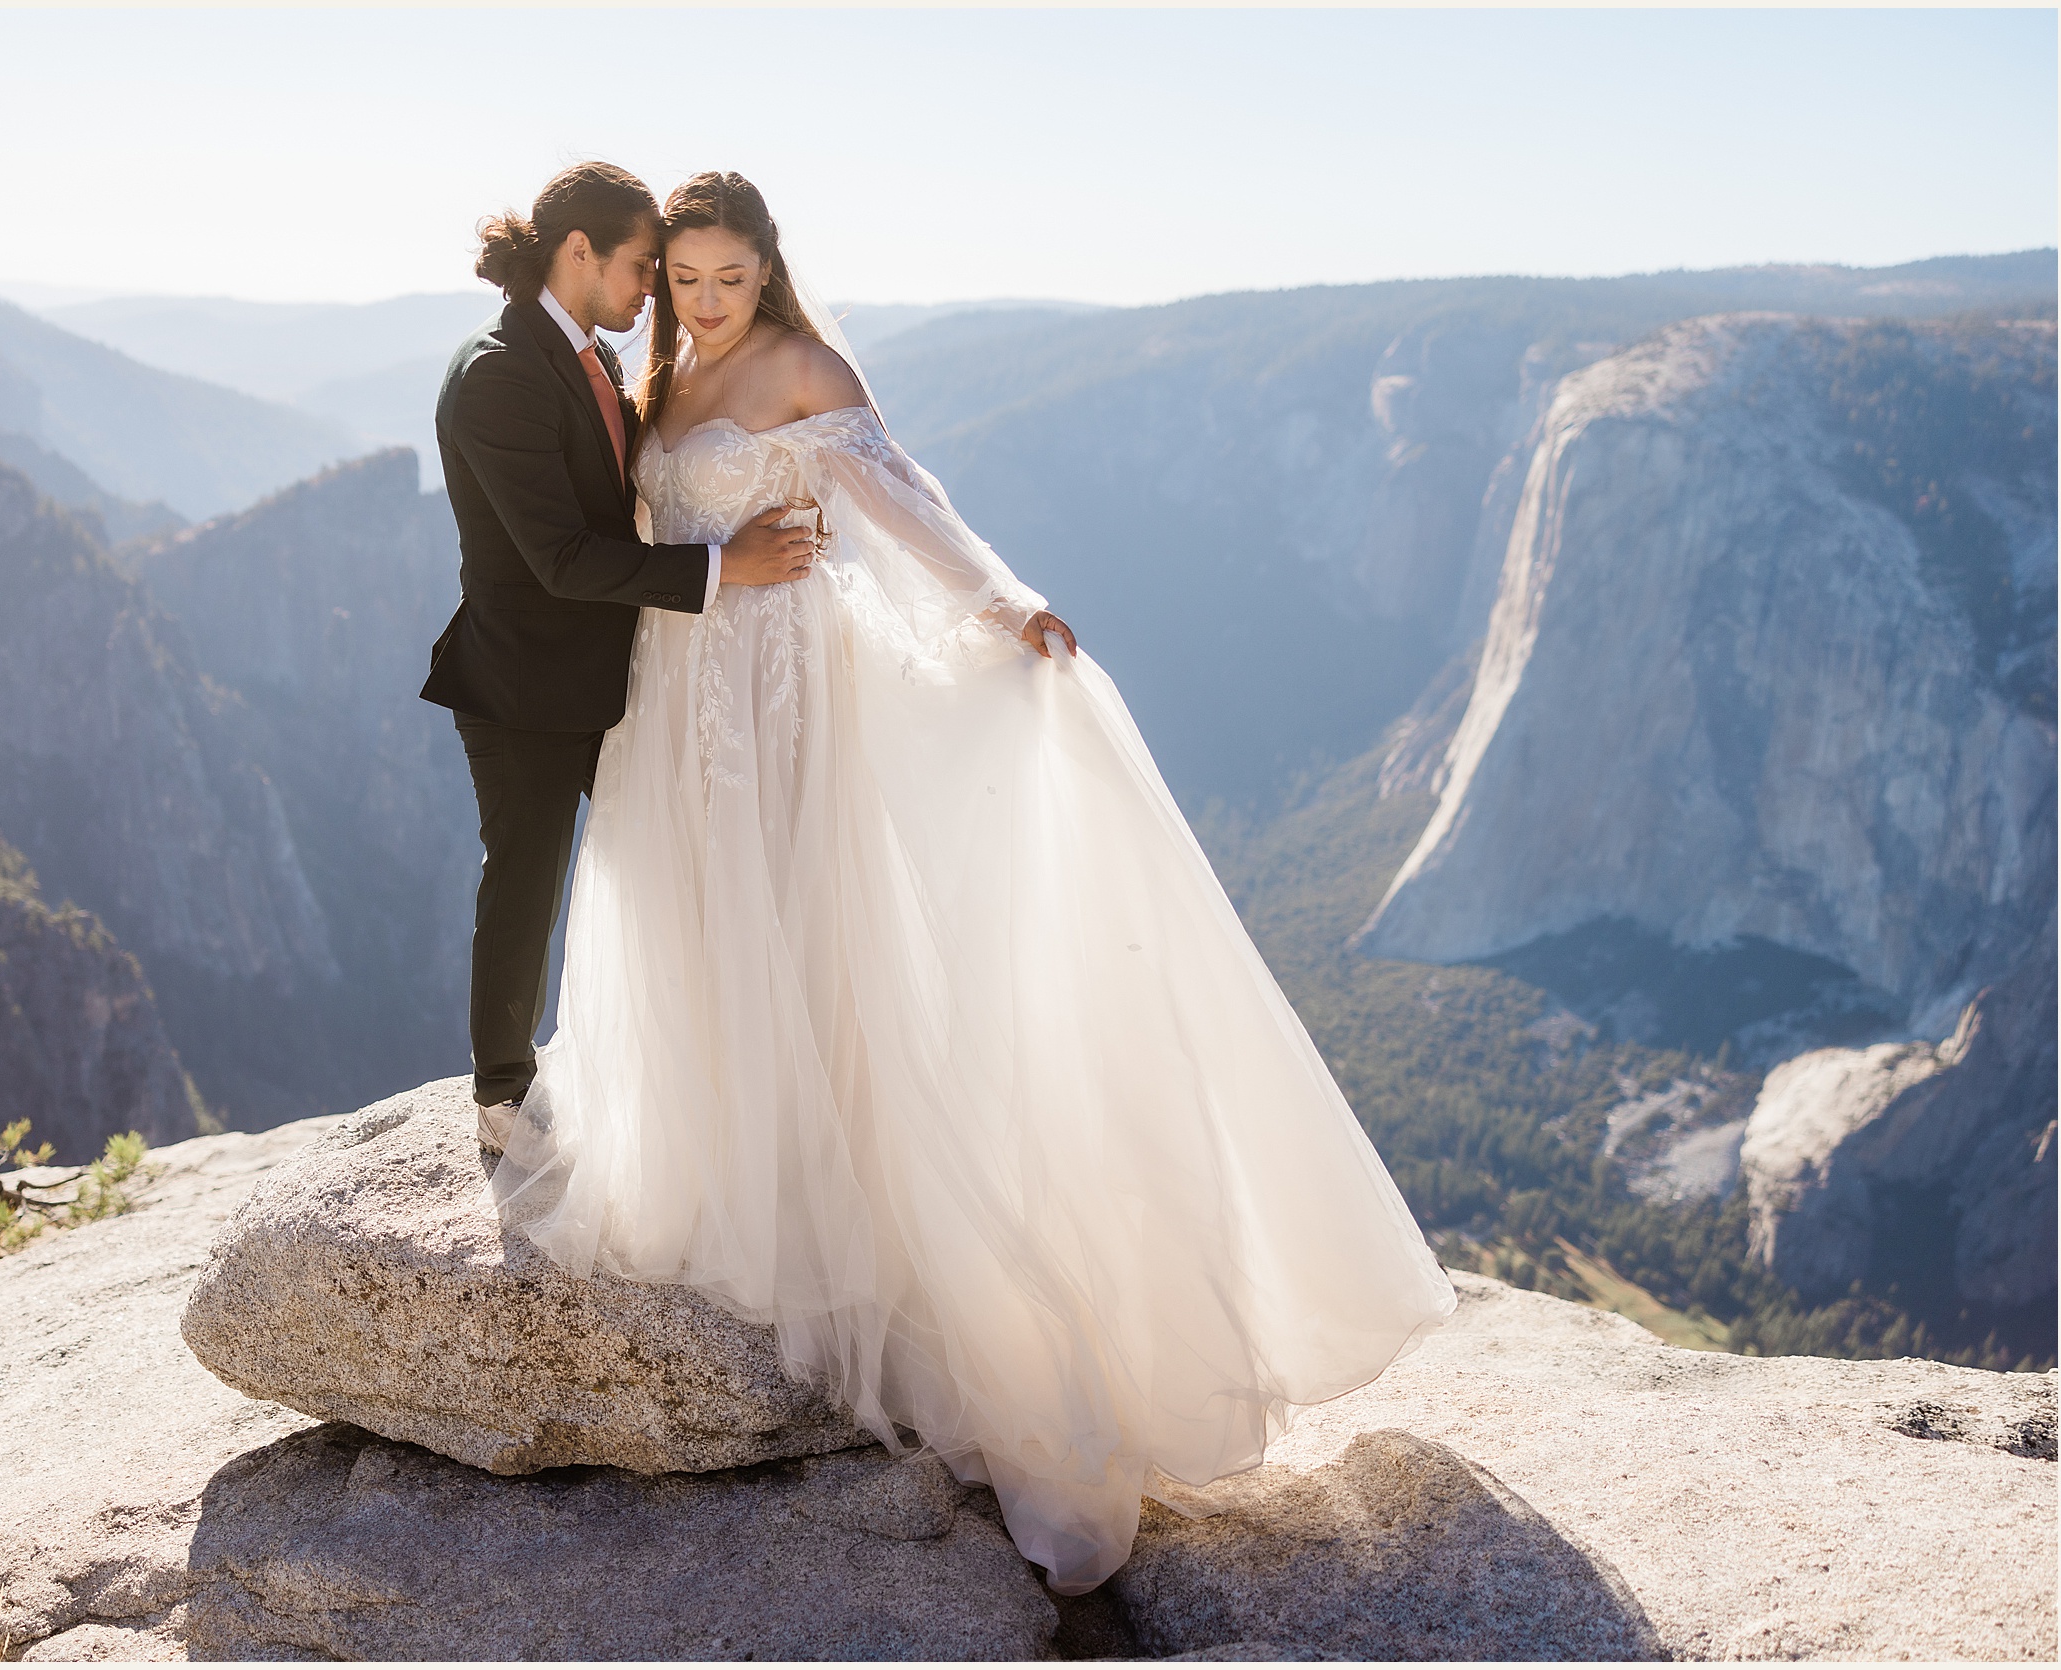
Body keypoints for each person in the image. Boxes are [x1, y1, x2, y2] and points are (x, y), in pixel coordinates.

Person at [488, 170, 1459, 1596]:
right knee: (699, 930)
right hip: (678, 694)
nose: (701, 302)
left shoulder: (805, 364)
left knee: (803, 935)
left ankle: (856, 1238)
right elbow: (636, 537)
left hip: (781, 693)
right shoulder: (662, 374)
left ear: (769, 270)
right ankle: (729, 1181)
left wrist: (998, 597)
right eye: (682, 278)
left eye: (728, 278)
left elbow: (899, 492)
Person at [422, 161, 816, 1137]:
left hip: (619, 672)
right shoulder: (500, 372)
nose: (654, 292)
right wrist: (725, 567)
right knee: (525, 878)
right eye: (644, 267)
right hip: (524, 683)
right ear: (577, 252)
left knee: (674, 859)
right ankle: (502, 1097)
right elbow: (559, 556)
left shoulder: (587, 354)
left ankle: (701, 1073)